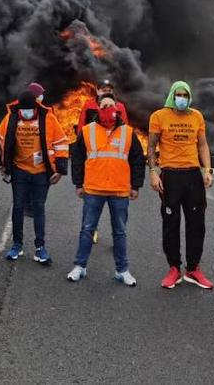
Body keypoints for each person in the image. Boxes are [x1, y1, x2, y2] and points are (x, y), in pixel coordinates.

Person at [67, 94, 145, 286]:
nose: (107, 109)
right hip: (93, 189)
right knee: (87, 229)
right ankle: (80, 266)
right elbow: (76, 158)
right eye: (104, 106)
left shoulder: (128, 132)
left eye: (111, 105)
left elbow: (137, 160)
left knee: (120, 232)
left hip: (119, 191)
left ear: (117, 109)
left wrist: (136, 186)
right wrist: (78, 183)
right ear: (98, 109)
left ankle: (122, 270)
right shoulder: (87, 131)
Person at [148, 81, 214, 290]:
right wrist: (153, 172)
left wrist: (208, 169)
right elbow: (150, 146)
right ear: (172, 96)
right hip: (170, 175)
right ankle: (174, 268)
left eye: (185, 94)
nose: (182, 98)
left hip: (193, 174)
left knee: (197, 224)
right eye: (179, 94)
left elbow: (202, 144)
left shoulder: (196, 116)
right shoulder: (158, 116)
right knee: (171, 224)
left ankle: (193, 269)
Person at [0, 88, 68, 265]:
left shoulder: (48, 118)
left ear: (36, 108)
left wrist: (59, 169)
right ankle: (16, 245)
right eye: (23, 109)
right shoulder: (12, 118)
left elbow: (61, 142)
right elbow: (1, 139)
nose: (26, 112)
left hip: (41, 173)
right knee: (18, 207)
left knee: (39, 208)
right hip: (19, 170)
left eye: (30, 109)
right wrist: (3, 164)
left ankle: (40, 247)